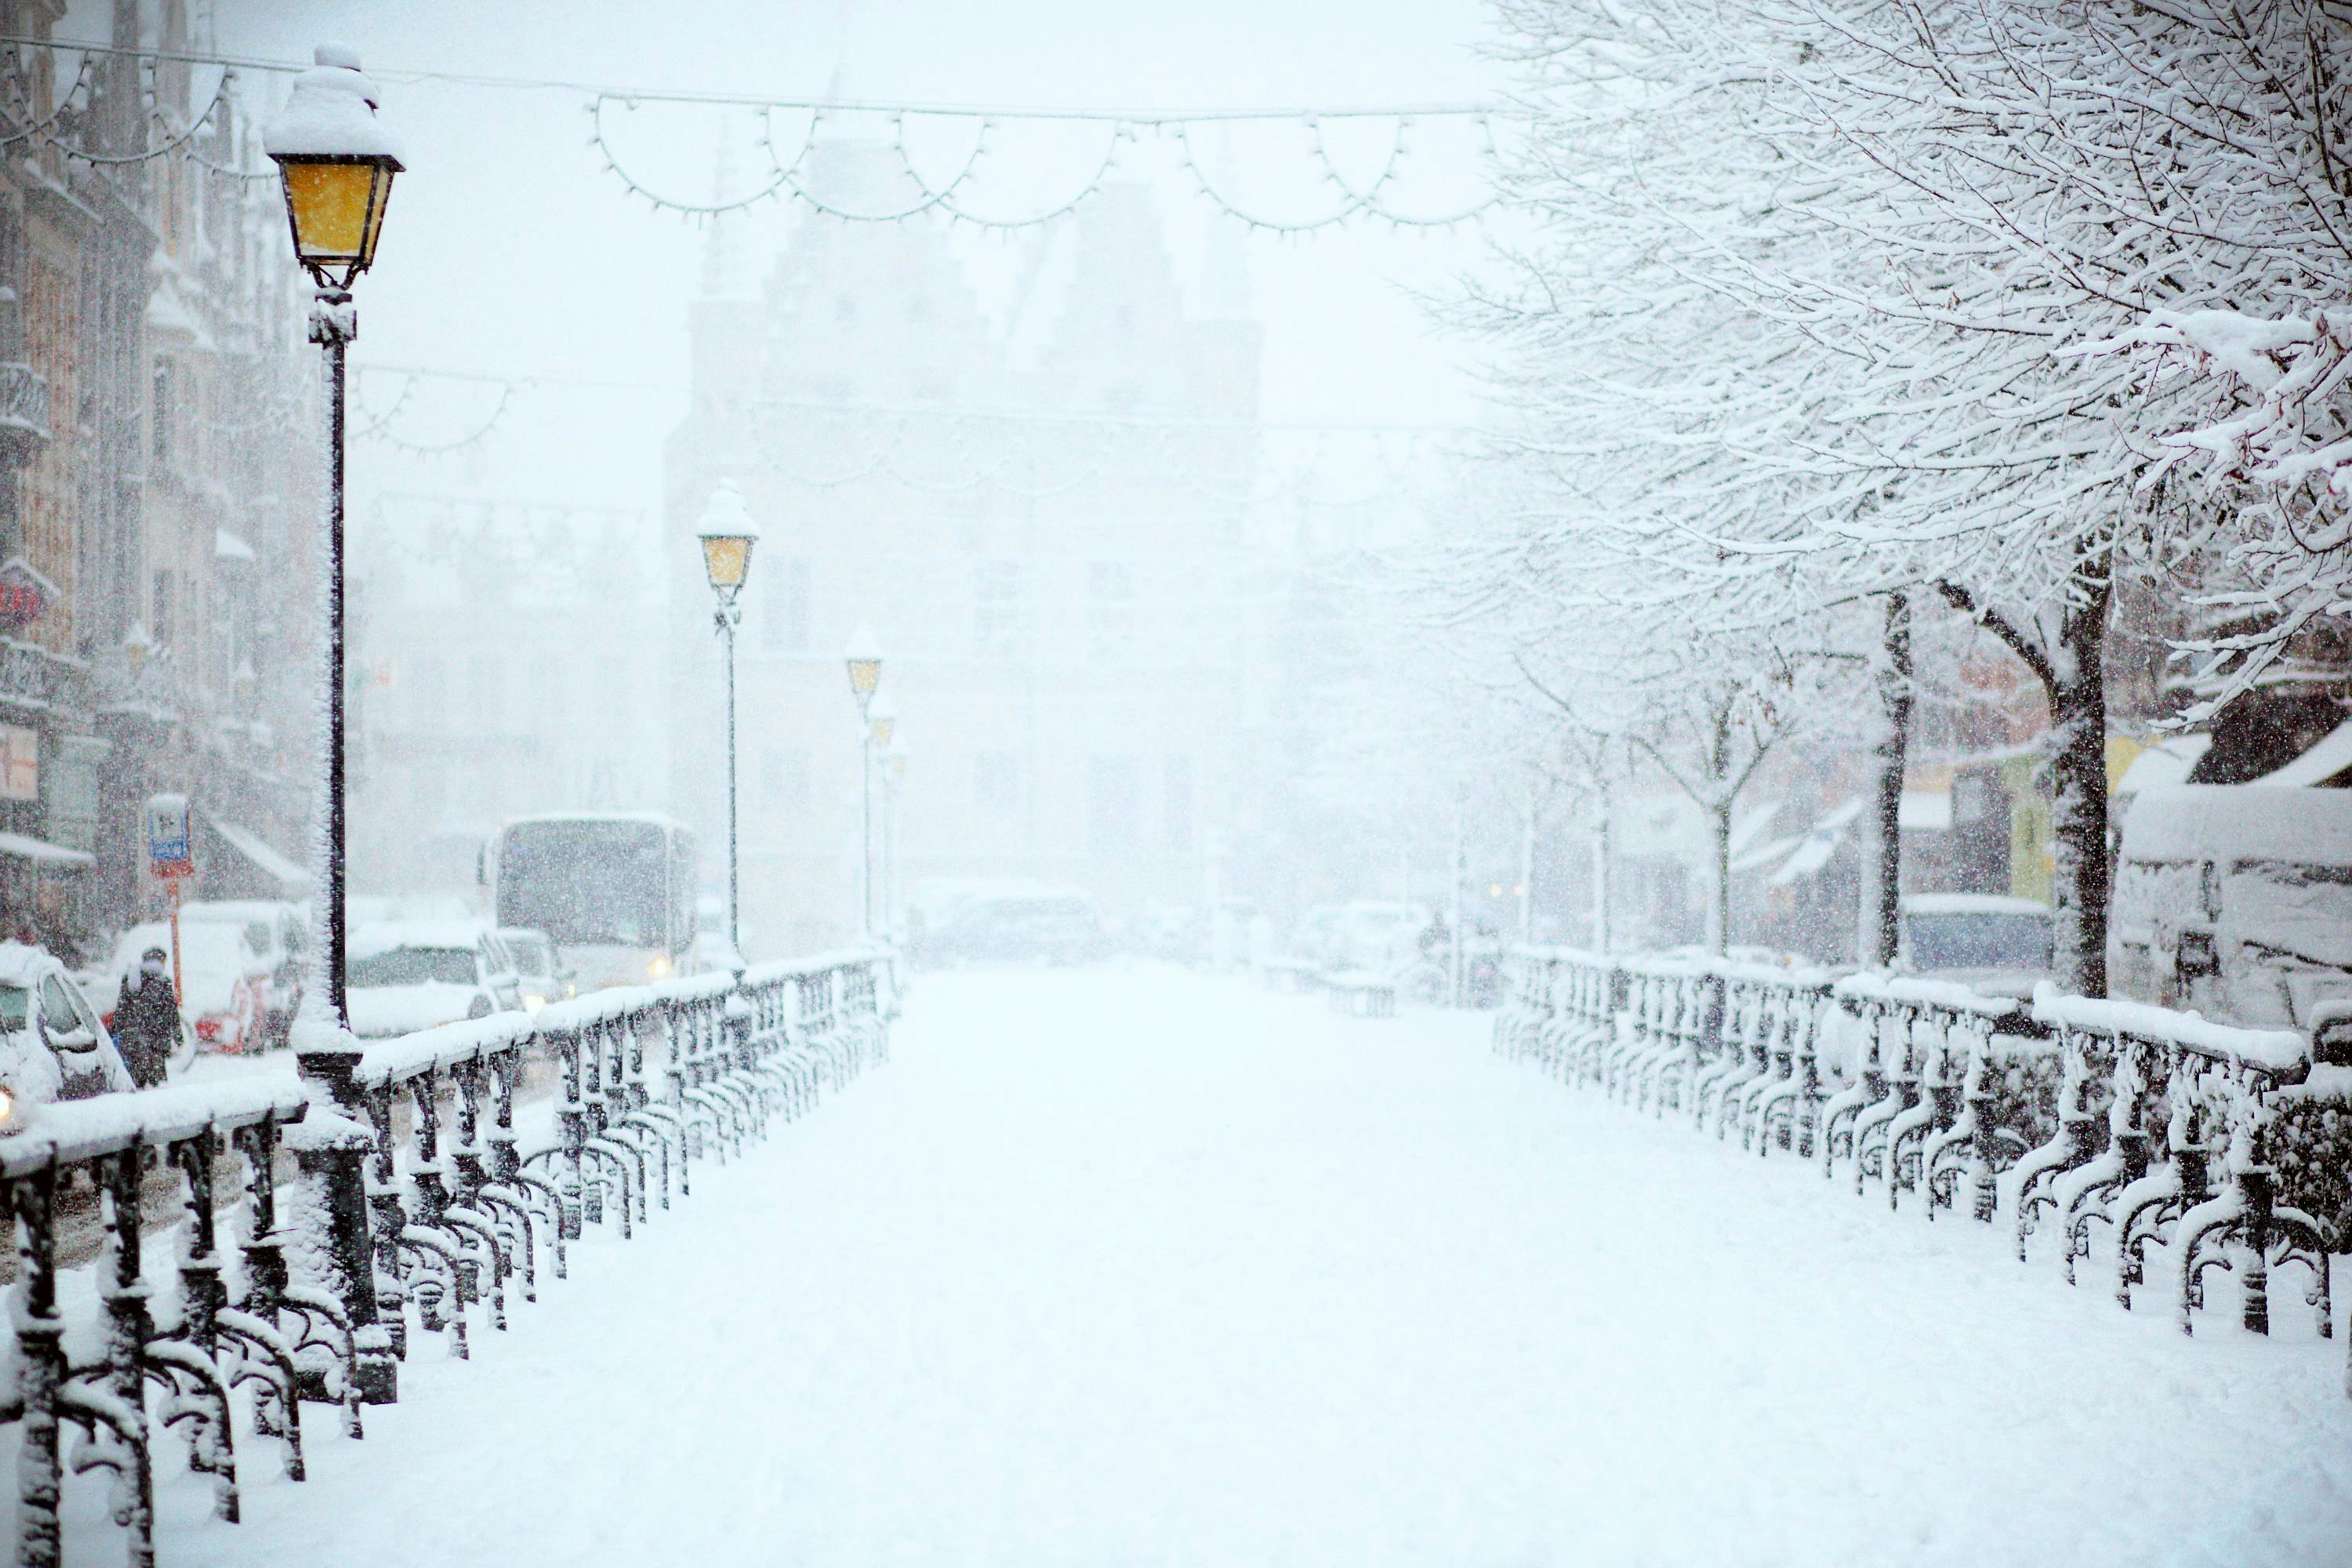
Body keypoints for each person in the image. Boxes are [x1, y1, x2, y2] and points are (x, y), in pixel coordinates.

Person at [114, 946, 179, 1088]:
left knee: (136, 1079)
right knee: (158, 1082)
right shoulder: (163, 982)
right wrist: (177, 1036)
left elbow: (122, 1007)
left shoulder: (130, 978)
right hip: (157, 1040)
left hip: (133, 1039)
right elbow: (171, 1012)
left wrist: (117, 1030)